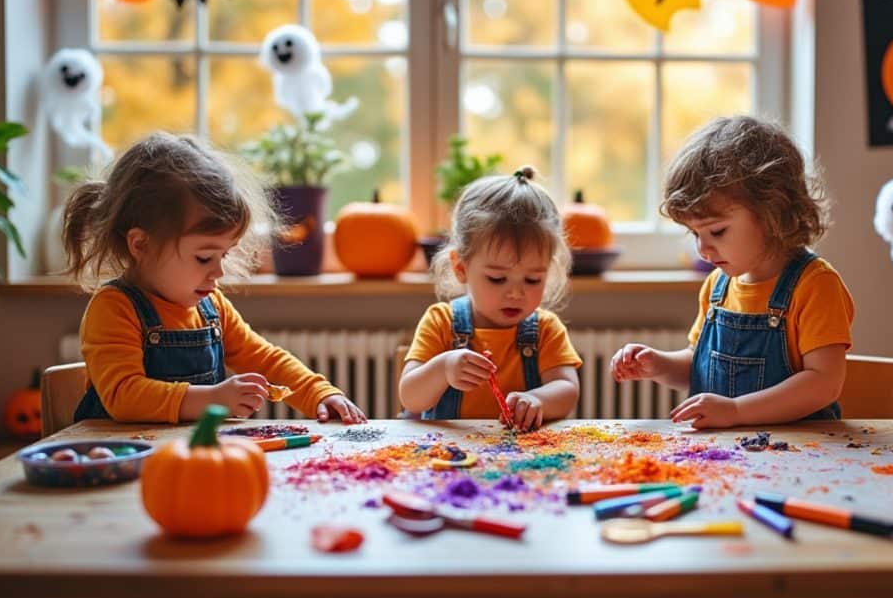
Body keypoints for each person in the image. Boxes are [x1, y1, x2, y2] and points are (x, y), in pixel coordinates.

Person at [62, 132, 366, 423]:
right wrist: (212, 398)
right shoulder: (115, 308)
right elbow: (124, 396)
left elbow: (263, 358)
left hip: (195, 459)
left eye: (225, 254)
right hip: (122, 464)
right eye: (204, 257)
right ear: (142, 244)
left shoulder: (212, 307)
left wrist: (318, 393)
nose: (218, 271)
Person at [611, 116, 854, 428]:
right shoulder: (718, 286)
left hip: (799, 457)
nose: (703, 249)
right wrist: (657, 364)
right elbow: (697, 365)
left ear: (772, 213)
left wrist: (737, 411)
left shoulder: (816, 286)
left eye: (718, 231)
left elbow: (823, 384)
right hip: (726, 458)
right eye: (694, 234)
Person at [399, 167, 581, 431]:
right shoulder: (441, 322)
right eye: (497, 278)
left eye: (532, 280)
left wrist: (537, 399)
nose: (516, 293)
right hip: (449, 459)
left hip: (523, 460)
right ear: (461, 268)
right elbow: (410, 398)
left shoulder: (545, 330)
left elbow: (568, 390)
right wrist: (443, 369)